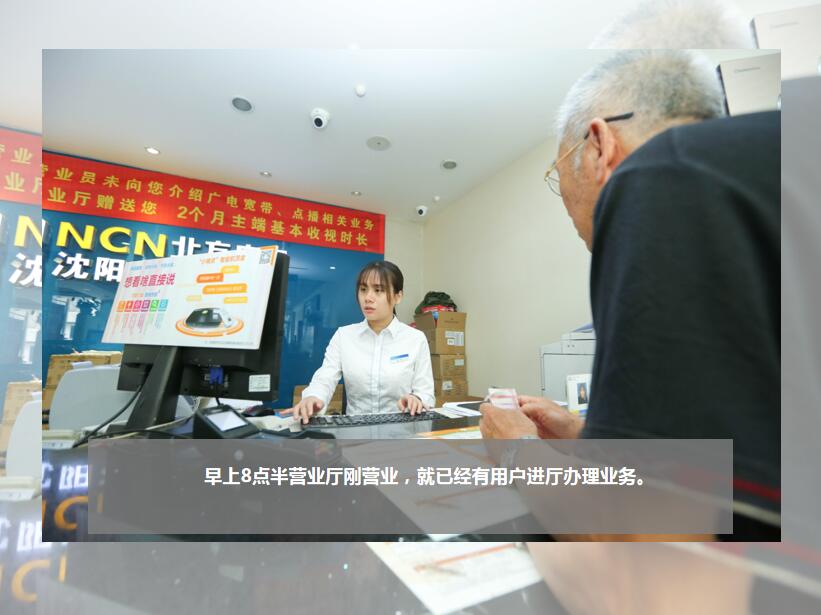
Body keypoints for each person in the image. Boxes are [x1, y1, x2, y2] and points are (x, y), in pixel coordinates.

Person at [480, 50, 780, 535]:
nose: (564, 199)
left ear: (599, 145)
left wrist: (517, 450)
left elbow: (631, 548)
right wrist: (583, 434)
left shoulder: (656, 177)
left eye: (558, 172)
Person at [286, 260, 435, 424]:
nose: (368, 298)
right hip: (355, 430)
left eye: (378, 290)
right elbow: (325, 378)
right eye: (363, 289)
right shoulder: (344, 336)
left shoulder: (415, 339)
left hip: (402, 430)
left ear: (398, 296)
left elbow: (425, 392)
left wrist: (417, 399)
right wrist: (313, 397)